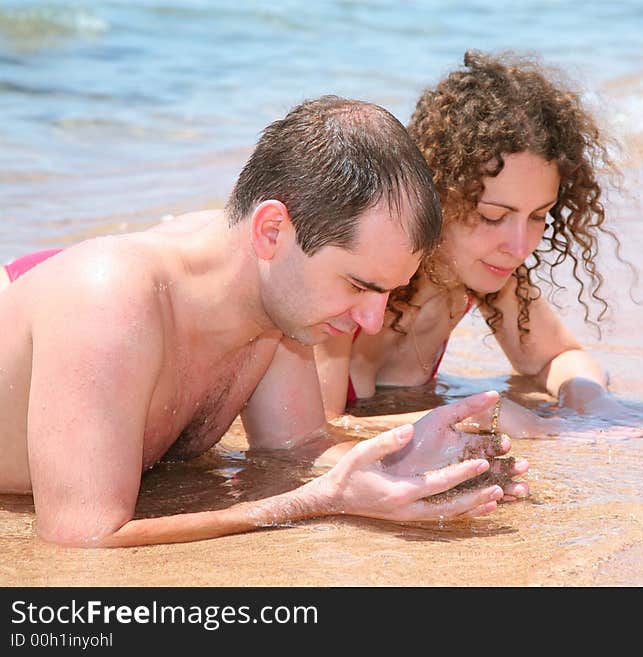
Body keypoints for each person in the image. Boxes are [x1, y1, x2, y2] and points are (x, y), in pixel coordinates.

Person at [0, 95, 528, 548]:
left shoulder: (277, 310)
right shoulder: (110, 303)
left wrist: (415, 457)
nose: (372, 321)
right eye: (358, 285)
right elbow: (82, 538)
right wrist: (315, 502)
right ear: (272, 230)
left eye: (387, 292)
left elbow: (295, 450)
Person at [315, 51, 640, 442]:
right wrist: (475, 417)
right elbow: (314, 432)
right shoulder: (355, 277)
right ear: (439, 193)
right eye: (492, 216)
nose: (520, 246)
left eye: (539, 215)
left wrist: (588, 398)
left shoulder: (485, 272)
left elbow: (558, 356)